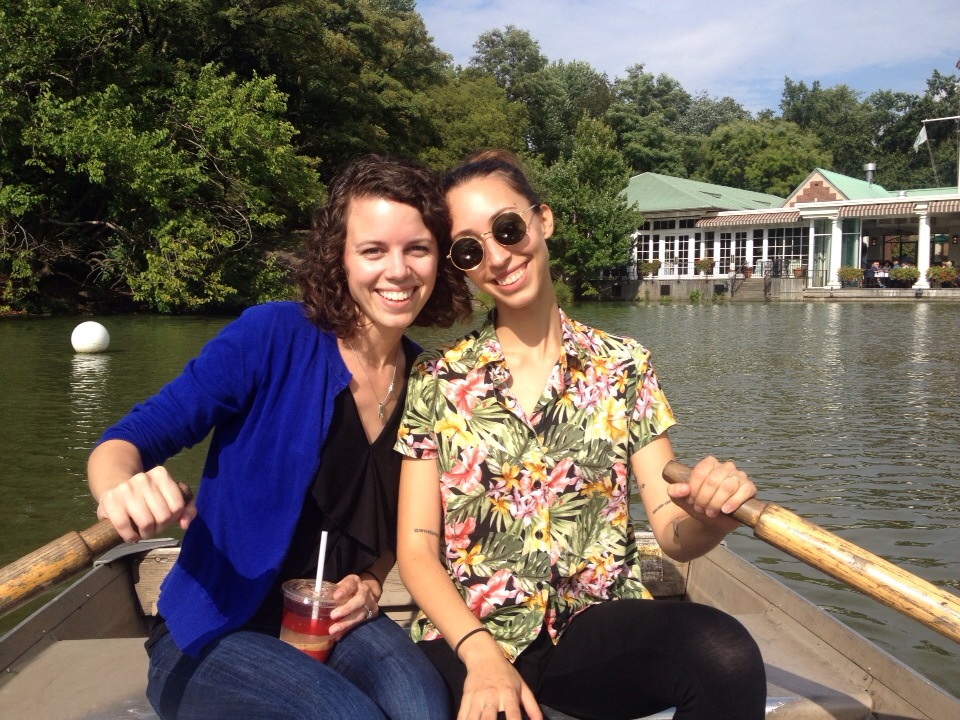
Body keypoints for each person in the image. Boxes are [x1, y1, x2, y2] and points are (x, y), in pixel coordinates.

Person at [88, 155, 474, 720]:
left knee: (425, 707)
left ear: (439, 258)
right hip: (212, 632)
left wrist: (371, 581)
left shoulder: (429, 382)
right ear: (340, 258)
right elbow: (126, 440)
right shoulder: (271, 336)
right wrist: (119, 487)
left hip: (329, 620)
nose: (398, 270)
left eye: (417, 248)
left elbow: (408, 521)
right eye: (372, 250)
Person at [395, 150, 767, 720]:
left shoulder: (624, 365)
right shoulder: (436, 377)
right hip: (470, 630)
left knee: (726, 655)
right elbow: (416, 549)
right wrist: (482, 656)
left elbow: (672, 530)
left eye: (507, 228)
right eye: (470, 249)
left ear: (542, 220)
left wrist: (711, 518)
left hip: (590, 626)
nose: (498, 256)